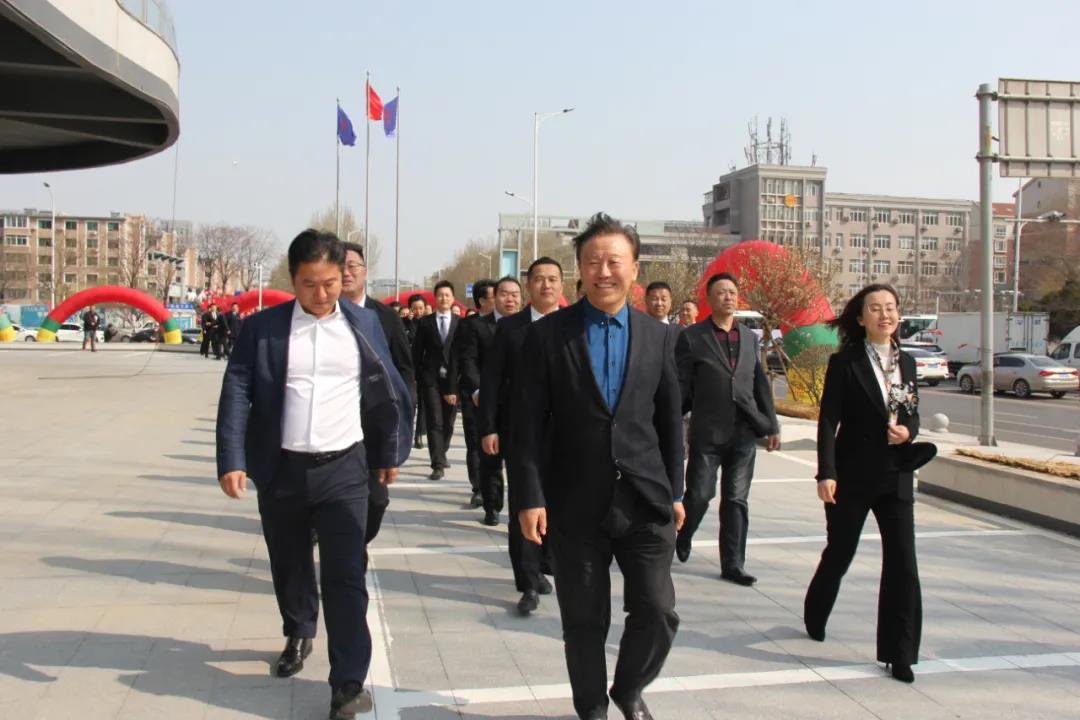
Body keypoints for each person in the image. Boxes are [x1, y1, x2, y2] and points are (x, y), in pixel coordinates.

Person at [215, 229, 411, 719]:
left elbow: (388, 389)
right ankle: (299, 629)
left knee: (346, 575)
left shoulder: (364, 323)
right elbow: (237, 389)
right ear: (292, 279)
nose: (322, 294)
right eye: (309, 284)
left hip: (344, 468)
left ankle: (347, 683)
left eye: (330, 283)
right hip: (282, 468)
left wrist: (388, 450)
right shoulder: (264, 329)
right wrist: (232, 458)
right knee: (290, 563)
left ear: (342, 276)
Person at [513, 213, 684, 720]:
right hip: (573, 501)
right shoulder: (548, 336)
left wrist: (676, 491)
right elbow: (526, 424)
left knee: (658, 610)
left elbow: (670, 422)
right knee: (584, 620)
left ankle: (629, 687)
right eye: (592, 261)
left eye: (614, 261)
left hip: (645, 498)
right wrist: (529, 496)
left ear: (635, 269)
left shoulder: (659, 336)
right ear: (580, 269)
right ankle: (591, 709)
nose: (603, 271)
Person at [804, 283, 923, 685]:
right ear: (860, 318)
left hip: (896, 474)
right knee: (840, 552)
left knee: (903, 562)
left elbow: (911, 413)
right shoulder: (845, 362)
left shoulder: (907, 362)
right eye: (875, 308)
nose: (885, 314)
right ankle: (816, 610)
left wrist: (908, 431)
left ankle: (899, 653)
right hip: (852, 475)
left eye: (891, 307)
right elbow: (828, 420)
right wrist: (826, 472)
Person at [673, 272, 780, 585]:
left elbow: (759, 383)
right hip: (707, 432)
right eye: (721, 292)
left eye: (732, 292)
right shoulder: (693, 337)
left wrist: (772, 424)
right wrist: (668, 420)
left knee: (736, 499)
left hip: (744, 431)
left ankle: (733, 564)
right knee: (700, 494)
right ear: (709, 298)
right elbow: (681, 385)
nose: (728, 297)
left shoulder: (749, 337)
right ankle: (684, 533)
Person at [481, 263, 559, 615]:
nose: (546, 285)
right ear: (529, 285)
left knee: (557, 501)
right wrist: (489, 427)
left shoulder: (572, 325)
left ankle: (544, 564)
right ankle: (527, 581)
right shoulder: (510, 328)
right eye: (539, 279)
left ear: (561, 285)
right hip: (520, 431)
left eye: (553, 279)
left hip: (565, 433)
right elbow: (492, 380)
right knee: (524, 503)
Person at [341, 241, 416, 543]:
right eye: (339, 266)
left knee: (376, 500)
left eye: (352, 266)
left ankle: (354, 545)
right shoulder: (321, 315)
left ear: (365, 271)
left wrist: (403, 420)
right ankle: (345, 552)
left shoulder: (385, 317)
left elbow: (404, 370)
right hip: (333, 425)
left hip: (373, 427)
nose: (346, 273)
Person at [453, 279, 500, 512]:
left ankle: (493, 493)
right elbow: (464, 361)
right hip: (476, 395)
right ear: (482, 301)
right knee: (476, 444)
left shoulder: (515, 324)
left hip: (505, 398)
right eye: (496, 296)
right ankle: (480, 489)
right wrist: (475, 390)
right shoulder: (469, 326)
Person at [412, 280, 461, 480]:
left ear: (453, 298)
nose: (443, 298)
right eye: (440, 295)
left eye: (447, 295)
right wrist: (416, 376)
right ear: (435, 298)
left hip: (453, 379)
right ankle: (437, 464)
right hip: (430, 378)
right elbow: (417, 352)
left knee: (448, 421)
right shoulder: (426, 322)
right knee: (434, 420)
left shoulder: (460, 323)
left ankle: (443, 450)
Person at [405, 294, 427, 450]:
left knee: (424, 404)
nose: (418, 311)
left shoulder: (428, 323)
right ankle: (407, 432)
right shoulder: (403, 324)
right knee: (411, 402)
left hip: (425, 369)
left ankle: (419, 433)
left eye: (421, 308)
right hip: (409, 369)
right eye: (415, 308)